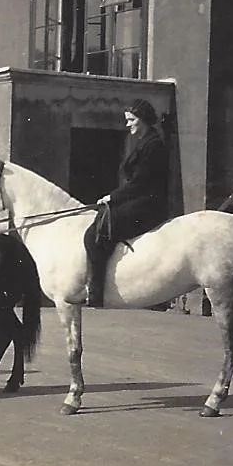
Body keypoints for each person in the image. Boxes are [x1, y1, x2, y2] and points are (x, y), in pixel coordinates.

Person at [83, 98, 170, 308]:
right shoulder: (145, 141)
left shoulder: (154, 145)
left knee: (96, 233)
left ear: (143, 120)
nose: (127, 124)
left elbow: (140, 182)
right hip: (140, 199)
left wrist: (112, 197)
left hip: (149, 204)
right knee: (100, 222)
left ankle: (97, 293)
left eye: (131, 120)